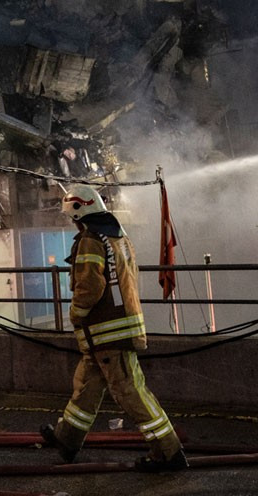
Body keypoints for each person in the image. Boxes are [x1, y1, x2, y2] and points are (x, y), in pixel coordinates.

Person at [40, 185, 187, 472]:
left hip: (106, 332)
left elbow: (91, 286)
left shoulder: (91, 241)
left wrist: (75, 314)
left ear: (79, 213)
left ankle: (169, 452)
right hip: (112, 331)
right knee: (87, 385)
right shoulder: (118, 237)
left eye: (72, 217)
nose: (72, 223)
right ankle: (67, 440)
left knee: (130, 391)